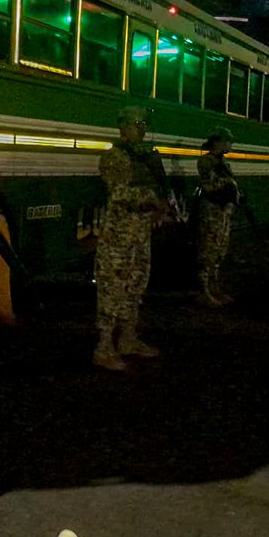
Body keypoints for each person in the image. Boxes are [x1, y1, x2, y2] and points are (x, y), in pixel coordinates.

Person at [93, 105, 173, 370]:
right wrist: (154, 200)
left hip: (139, 235)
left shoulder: (143, 158)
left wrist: (161, 208)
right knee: (112, 289)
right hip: (118, 237)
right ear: (123, 127)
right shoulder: (115, 157)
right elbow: (118, 195)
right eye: (135, 124)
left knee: (135, 286)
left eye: (143, 124)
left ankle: (128, 338)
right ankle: (104, 347)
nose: (140, 129)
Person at [196, 128, 238, 307]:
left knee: (219, 251)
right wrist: (229, 185)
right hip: (212, 212)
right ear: (218, 142)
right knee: (208, 251)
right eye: (227, 141)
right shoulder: (207, 162)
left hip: (223, 213)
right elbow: (211, 186)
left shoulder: (223, 163)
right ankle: (204, 291)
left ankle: (214, 287)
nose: (229, 145)